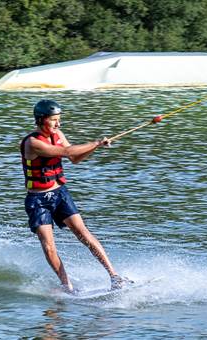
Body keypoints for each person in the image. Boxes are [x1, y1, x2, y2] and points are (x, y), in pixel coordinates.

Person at [20, 99, 131, 293]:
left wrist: (95, 147)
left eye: (59, 120)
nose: (58, 124)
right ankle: (67, 286)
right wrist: (95, 142)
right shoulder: (33, 142)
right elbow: (65, 151)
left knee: (84, 234)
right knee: (49, 247)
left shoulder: (58, 134)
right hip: (38, 201)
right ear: (41, 120)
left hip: (59, 194)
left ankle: (114, 277)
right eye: (54, 120)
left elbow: (75, 158)